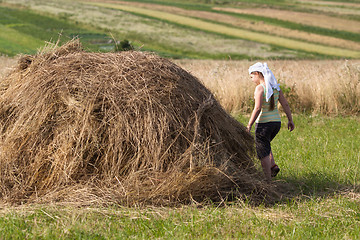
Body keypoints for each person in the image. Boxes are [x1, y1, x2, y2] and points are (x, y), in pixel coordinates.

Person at [246, 62, 295, 181]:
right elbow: (286, 104)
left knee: (262, 152)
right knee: (266, 144)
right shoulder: (276, 88)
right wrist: (290, 120)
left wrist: (249, 125)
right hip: (276, 124)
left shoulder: (260, 88)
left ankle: (267, 181)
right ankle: (273, 166)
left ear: (258, 74)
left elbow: (257, 108)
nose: (251, 79)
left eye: (252, 76)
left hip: (263, 124)